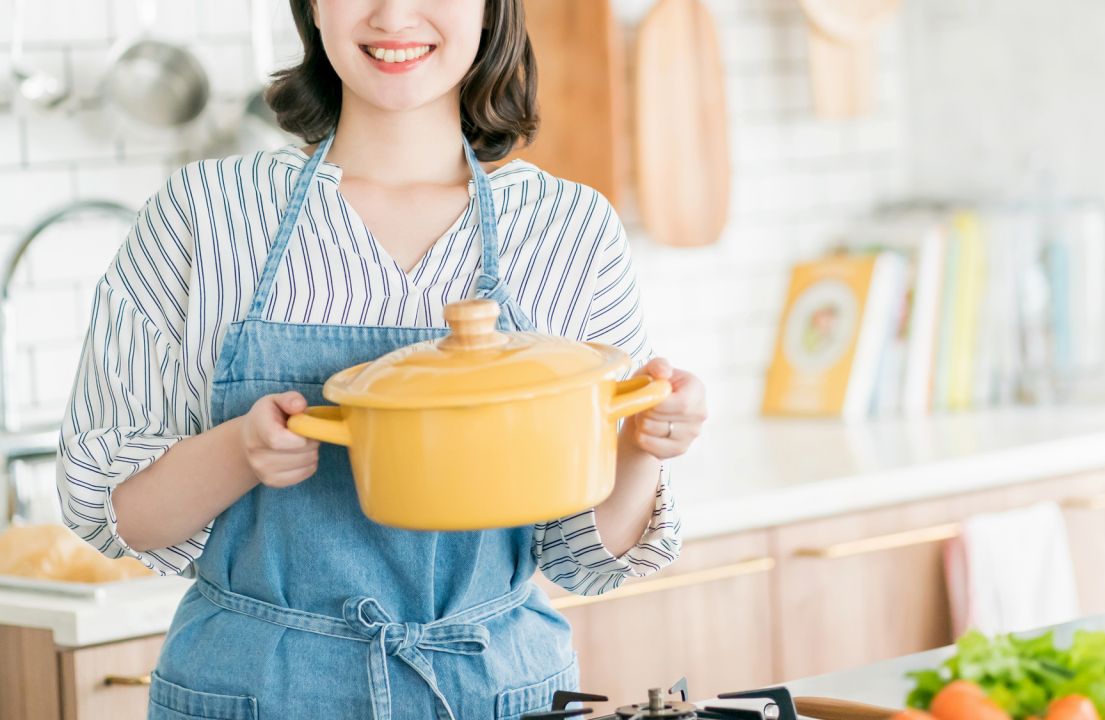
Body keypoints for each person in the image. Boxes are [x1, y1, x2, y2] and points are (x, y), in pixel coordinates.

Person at [54, 1, 707, 717]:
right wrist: (241, 450)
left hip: (495, 690)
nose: (394, 14)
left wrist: (643, 447)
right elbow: (114, 511)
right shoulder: (204, 216)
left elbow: (584, 560)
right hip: (254, 690)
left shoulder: (570, 232)